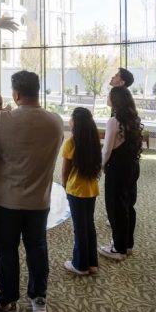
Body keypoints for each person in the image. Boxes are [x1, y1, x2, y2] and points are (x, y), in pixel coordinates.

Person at [0, 70, 64, 312]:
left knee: (7, 249)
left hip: (5, 200)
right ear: (37, 91)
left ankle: (8, 302)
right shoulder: (55, 121)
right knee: (37, 246)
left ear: (15, 94)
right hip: (39, 200)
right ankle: (39, 298)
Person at [99, 86, 143, 261]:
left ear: (115, 100)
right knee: (128, 206)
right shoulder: (133, 119)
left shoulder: (114, 122)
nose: (107, 97)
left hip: (117, 168)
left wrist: (101, 167)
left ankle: (118, 248)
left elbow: (107, 151)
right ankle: (127, 245)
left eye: (109, 95)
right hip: (132, 166)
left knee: (115, 207)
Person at [60, 107, 102, 275]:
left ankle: (80, 265)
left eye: (71, 118)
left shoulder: (71, 142)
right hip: (91, 189)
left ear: (76, 123)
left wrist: (64, 185)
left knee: (80, 228)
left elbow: (65, 170)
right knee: (89, 225)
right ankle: (92, 263)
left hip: (76, 190)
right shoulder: (94, 139)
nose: (69, 120)